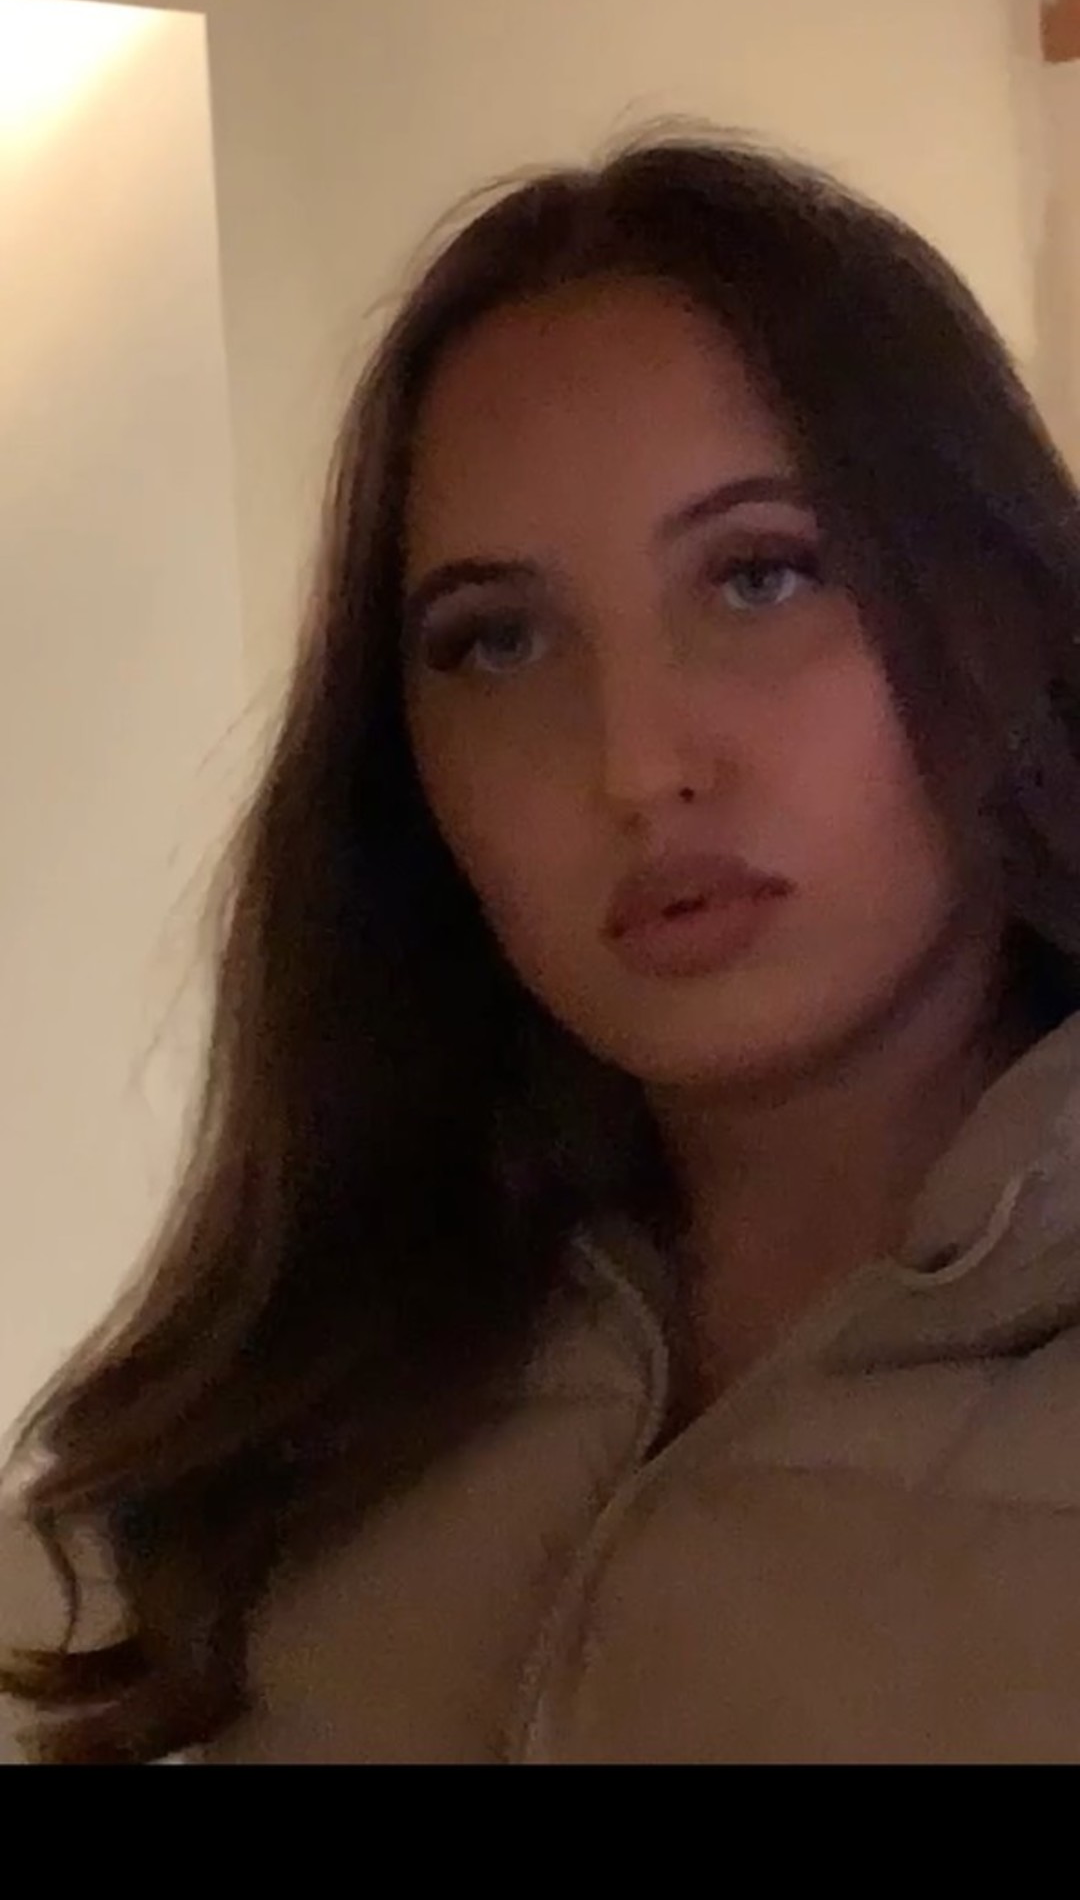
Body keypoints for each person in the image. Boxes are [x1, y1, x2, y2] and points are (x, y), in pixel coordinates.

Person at [4, 130, 1080, 1766]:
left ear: (996, 604)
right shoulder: (310, 1396)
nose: (635, 763)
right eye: (498, 641)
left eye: (763, 575)